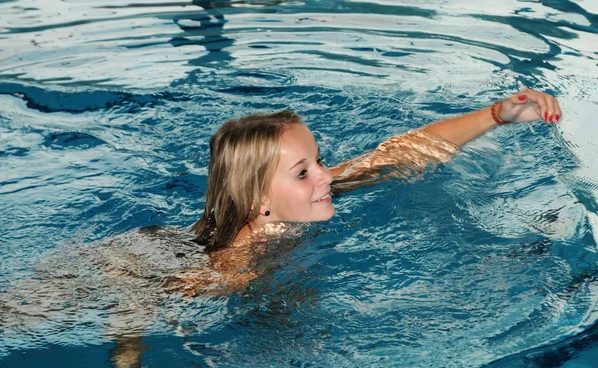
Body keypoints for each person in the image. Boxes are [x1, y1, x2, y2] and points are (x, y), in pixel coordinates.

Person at [169, 88, 563, 296]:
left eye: (318, 161)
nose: (326, 176)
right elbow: (136, 300)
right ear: (260, 200)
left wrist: (498, 114)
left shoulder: (302, 194)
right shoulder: (230, 270)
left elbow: (400, 152)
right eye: (304, 173)